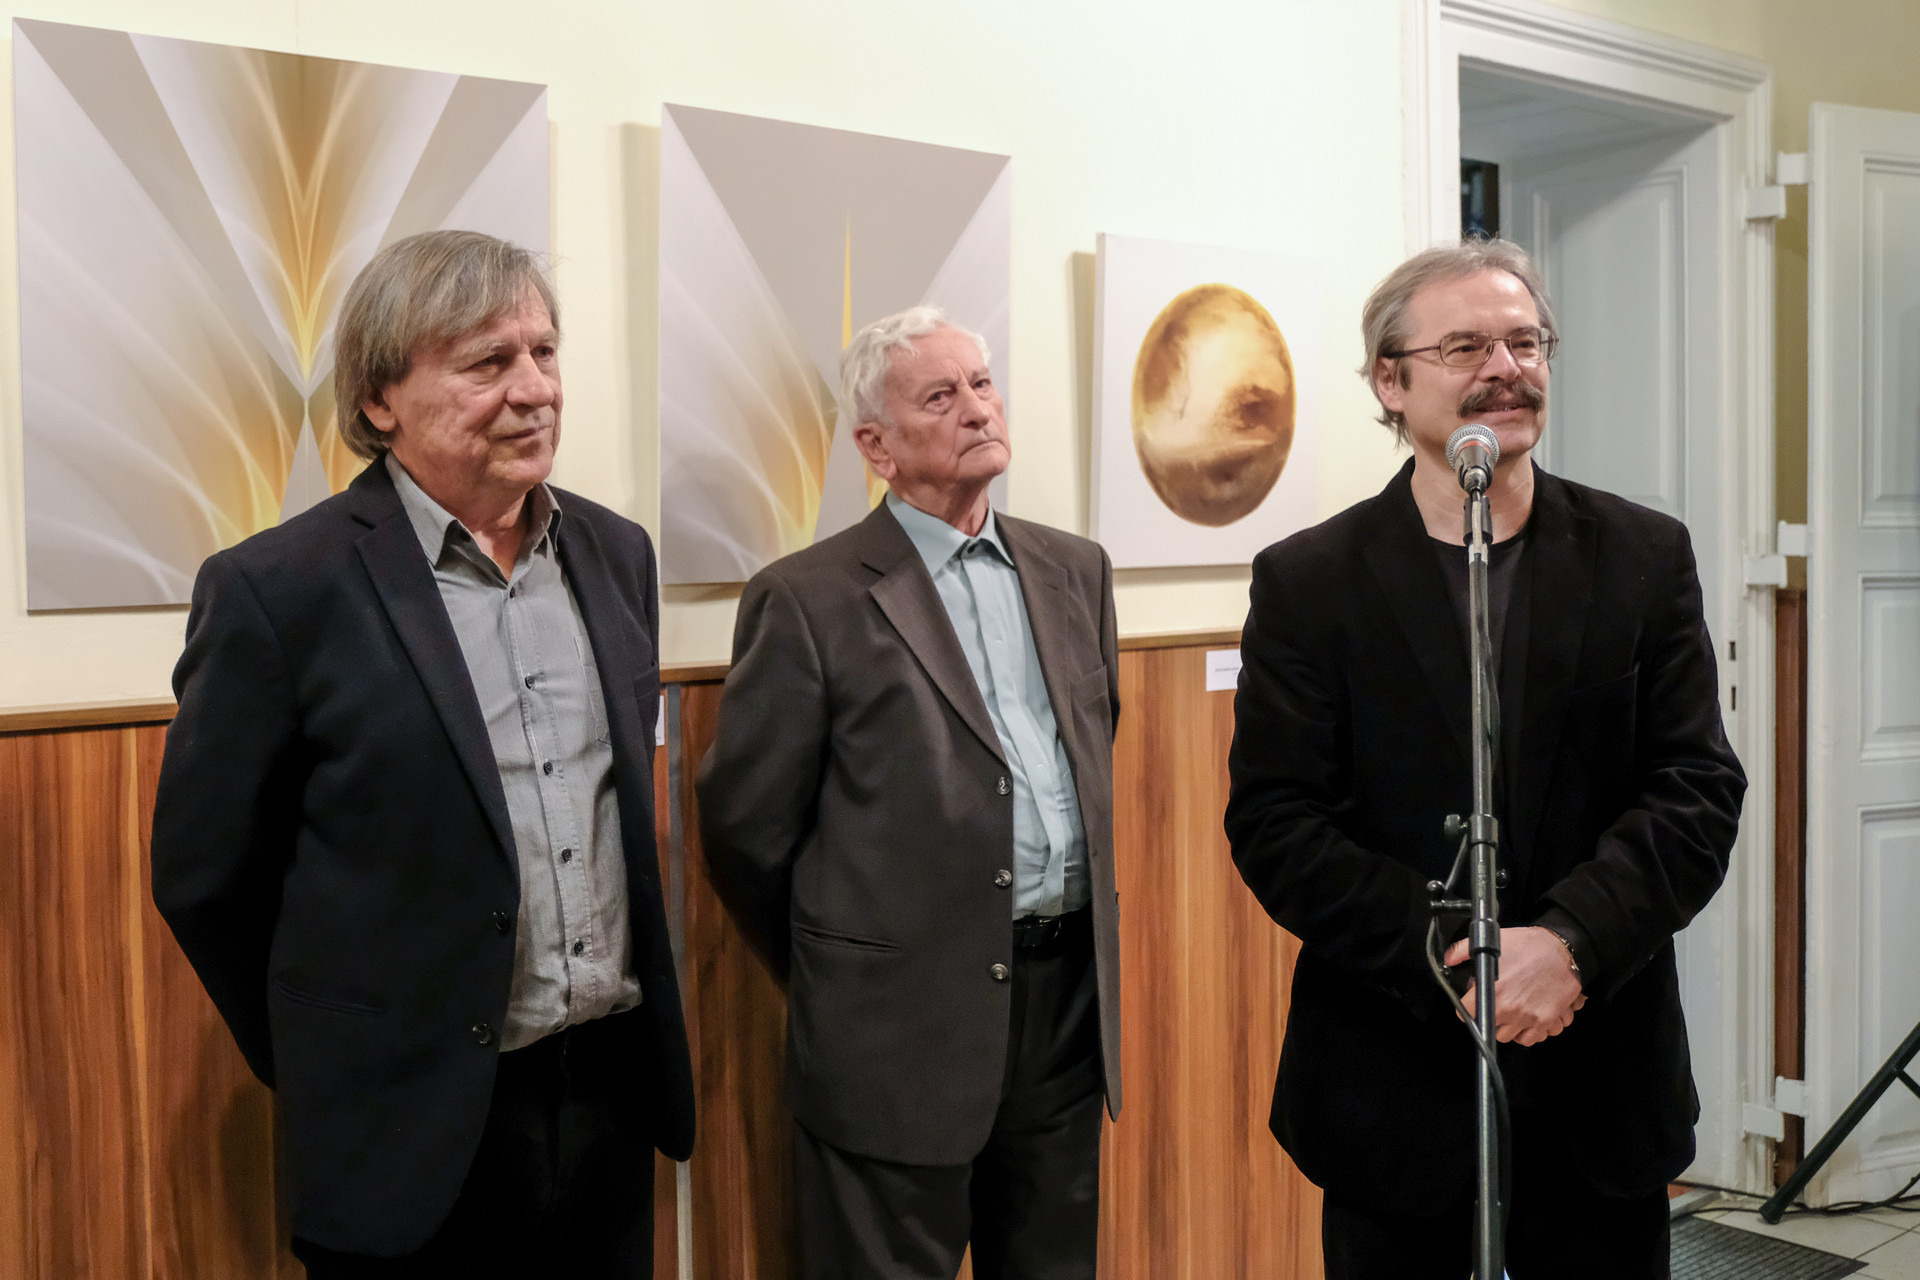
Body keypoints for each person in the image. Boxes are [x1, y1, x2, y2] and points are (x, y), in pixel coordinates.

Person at [151, 230, 693, 1277]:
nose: (534, 389)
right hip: (405, 1129)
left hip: (608, 1100)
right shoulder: (279, 589)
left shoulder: (616, 553)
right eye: (489, 362)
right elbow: (205, 877)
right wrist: (333, 1054)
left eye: (544, 352)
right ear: (380, 400)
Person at [1225, 238, 1746, 1279]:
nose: (1506, 368)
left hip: (1599, 1074)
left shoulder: (1643, 554)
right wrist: (1461, 959)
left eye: (1526, 341)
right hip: (1394, 1080)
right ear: (1391, 380)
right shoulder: (1310, 580)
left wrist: (1570, 946)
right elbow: (1277, 821)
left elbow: (1696, 788)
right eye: (1465, 346)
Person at [696, 306, 1122, 1280]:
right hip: (894, 1031)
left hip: (1063, 1012)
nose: (977, 408)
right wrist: (850, 962)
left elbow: (1092, 758)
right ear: (876, 447)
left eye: (982, 383)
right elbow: (747, 832)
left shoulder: (1076, 570)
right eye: (940, 395)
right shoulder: (808, 598)